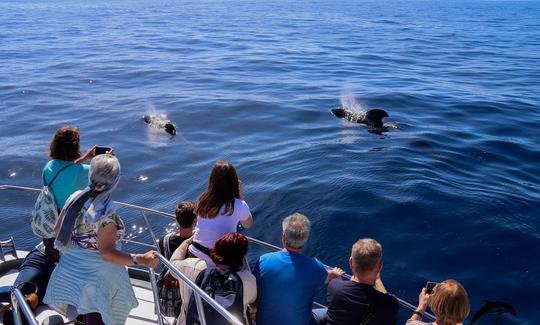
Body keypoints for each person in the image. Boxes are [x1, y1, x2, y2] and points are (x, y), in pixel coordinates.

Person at [43, 154, 159, 325]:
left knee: (86, 307)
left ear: (90, 176)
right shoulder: (106, 215)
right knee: (98, 313)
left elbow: (57, 229)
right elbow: (106, 254)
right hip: (95, 277)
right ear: (115, 182)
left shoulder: (73, 198)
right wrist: (141, 259)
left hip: (71, 268)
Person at [0, 126, 96, 306]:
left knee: (46, 260)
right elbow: (101, 177)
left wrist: (83, 159)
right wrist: (104, 159)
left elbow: (65, 171)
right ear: (75, 148)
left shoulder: (49, 167)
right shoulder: (82, 171)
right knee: (66, 266)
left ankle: (22, 297)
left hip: (49, 226)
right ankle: (38, 297)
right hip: (70, 227)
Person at [253, 213, 345, 325]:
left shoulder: (264, 260)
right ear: (305, 241)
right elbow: (328, 278)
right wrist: (335, 273)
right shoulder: (315, 266)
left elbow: (254, 290)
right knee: (328, 312)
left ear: (283, 237)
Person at [170, 232, 256, 325]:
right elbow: (252, 301)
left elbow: (173, 263)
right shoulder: (248, 279)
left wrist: (187, 242)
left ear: (216, 249)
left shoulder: (191, 266)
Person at [188, 160, 253, 261]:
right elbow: (247, 224)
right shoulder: (239, 205)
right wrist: (240, 197)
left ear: (212, 181)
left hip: (194, 252)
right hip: (216, 259)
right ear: (234, 182)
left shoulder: (202, 199)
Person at [325, 238, 399, 325]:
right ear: (380, 266)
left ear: (351, 262)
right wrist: (419, 310)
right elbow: (386, 300)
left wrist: (337, 277)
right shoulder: (390, 303)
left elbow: (339, 286)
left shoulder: (334, 286)